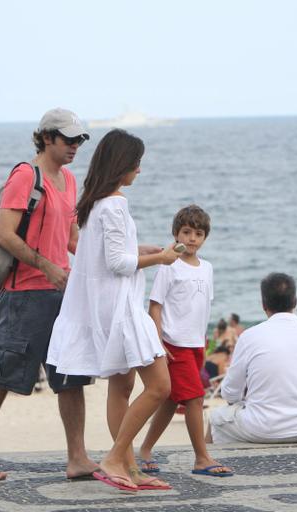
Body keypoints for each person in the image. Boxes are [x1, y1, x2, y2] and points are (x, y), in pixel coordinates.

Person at [0, 108, 96, 482]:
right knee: (4, 372)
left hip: (61, 293)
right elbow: (6, 234)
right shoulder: (25, 175)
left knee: (70, 374)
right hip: (25, 293)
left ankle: (78, 457)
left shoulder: (69, 180)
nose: (75, 146)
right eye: (68, 139)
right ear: (47, 137)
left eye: (79, 140)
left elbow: (71, 238)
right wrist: (47, 266)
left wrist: (100, 264)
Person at [47, 129, 180, 491]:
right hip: (122, 308)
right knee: (159, 386)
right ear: (123, 164)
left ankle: (131, 467)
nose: (139, 169)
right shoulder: (116, 204)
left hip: (104, 308)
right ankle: (115, 457)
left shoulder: (94, 202)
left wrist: (147, 247)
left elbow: (108, 252)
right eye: (136, 163)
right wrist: (162, 258)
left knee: (121, 388)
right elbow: (119, 262)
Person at [138, 205, 233, 478]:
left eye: (198, 233)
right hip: (173, 343)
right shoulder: (169, 266)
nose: (192, 238)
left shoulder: (207, 268)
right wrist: (159, 342)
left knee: (170, 400)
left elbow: (201, 308)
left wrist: (204, 342)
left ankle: (145, 450)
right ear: (176, 234)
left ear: (205, 237)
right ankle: (202, 458)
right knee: (195, 397)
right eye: (186, 232)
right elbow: (154, 306)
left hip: (197, 344)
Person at [207, 273, 297, 444]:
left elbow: (230, 392)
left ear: (263, 304)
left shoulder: (249, 337)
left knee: (215, 417)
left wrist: (243, 402)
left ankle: (205, 462)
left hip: (258, 429)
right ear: (295, 301)